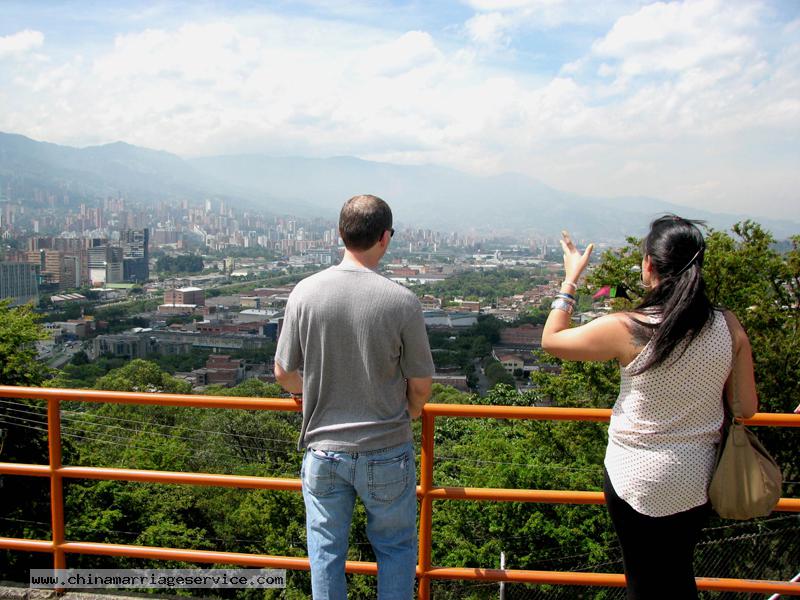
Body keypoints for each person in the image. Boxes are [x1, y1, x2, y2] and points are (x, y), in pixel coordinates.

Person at [541, 216, 758, 600]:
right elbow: (747, 406)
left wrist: (571, 280)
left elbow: (552, 340)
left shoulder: (630, 326)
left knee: (643, 580)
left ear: (649, 266)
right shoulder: (727, 325)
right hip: (699, 477)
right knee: (677, 574)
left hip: (634, 477)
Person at [274, 194, 435, 600]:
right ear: (385, 237)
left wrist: (307, 393)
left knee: (325, 551)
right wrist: (411, 411)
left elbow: (283, 372)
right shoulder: (401, 301)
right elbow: (420, 384)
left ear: (340, 234)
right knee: (395, 548)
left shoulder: (305, 293)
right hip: (386, 447)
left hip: (323, 449)